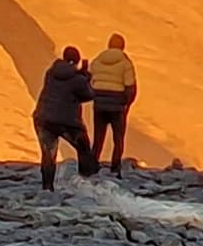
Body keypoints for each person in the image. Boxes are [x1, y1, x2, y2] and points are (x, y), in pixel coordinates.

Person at [32, 46, 96, 187]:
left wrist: (80, 75)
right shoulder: (78, 79)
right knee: (84, 148)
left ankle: (47, 187)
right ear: (77, 61)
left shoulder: (51, 72)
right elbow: (88, 95)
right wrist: (86, 77)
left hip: (43, 118)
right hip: (67, 121)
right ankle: (85, 183)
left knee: (48, 154)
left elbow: (64, 81)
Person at [88, 34, 138, 172]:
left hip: (99, 104)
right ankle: (115, 168)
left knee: (98, 138)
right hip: (117, 105)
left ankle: (92, 165)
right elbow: (130, 87)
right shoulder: (125, 63)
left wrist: (96, 95)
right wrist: (126, 103)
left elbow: (88, 80)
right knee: (118, 139)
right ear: (122, 46)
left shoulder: (97, 61)